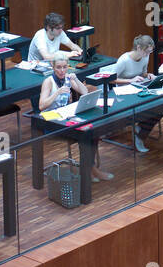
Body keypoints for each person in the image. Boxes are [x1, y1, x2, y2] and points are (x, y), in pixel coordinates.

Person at [39, 54, 114, 183]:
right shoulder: (48, 82)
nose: (62, 71)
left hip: (66, 117)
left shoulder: (68, 78)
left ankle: (90, 168)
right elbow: (41, 106)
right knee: (84, 135)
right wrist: (57, 92)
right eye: (58, 68)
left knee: (92, 132)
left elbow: (85, 92)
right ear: (53, 67)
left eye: (64, 67)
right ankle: (88, 169)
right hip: (52, 122)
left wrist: (77, 80)